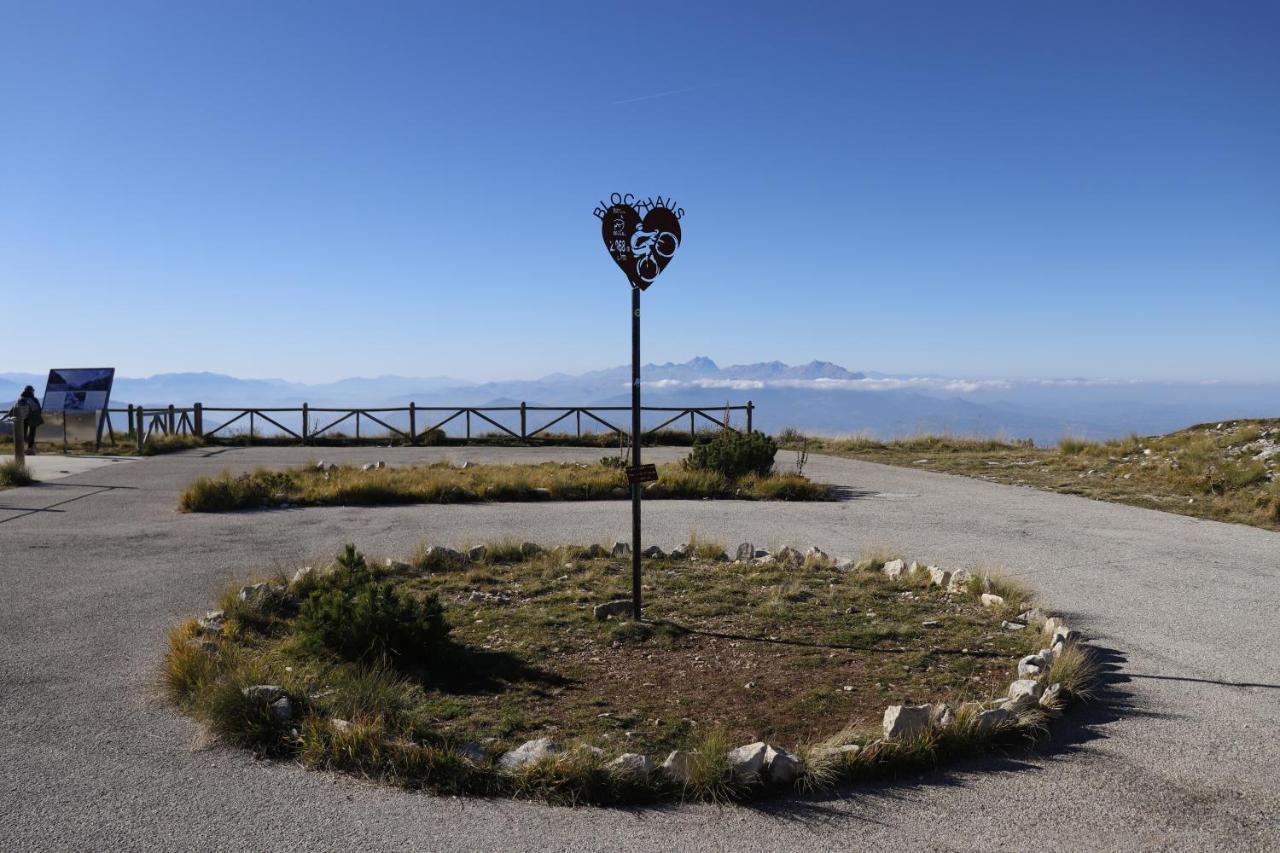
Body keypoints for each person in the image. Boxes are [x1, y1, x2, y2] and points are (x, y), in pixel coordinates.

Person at [8, 386, 43, 454]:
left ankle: (21, 448)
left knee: (23, 433)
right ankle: (30, 448)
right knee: (32, 433)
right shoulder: (34, 399)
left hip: (22, 418)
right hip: (33, 418)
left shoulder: (21, 399)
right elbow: (39, 409)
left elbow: (15, 408)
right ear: (31, 391)